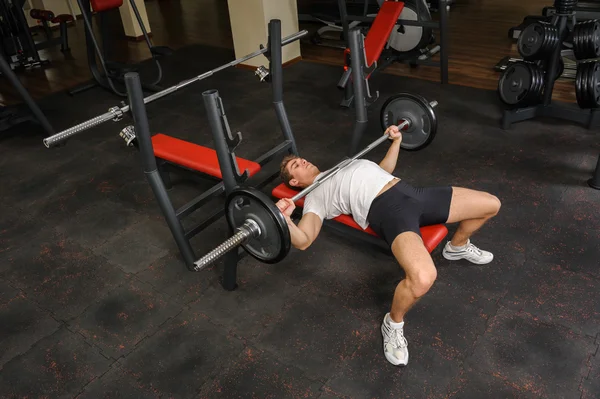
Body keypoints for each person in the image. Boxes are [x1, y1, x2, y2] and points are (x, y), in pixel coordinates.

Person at [275, 125, 501, 367]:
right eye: (295, 166)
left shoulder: (342, 165)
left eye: (300, 159)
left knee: (491, 204)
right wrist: (285, 220)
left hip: (413, 193)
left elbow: (383, 170)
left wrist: (396, 141)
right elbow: (304, 240)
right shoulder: (314, 197)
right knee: (423, 277)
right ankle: (393, 323)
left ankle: (457, 246)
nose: (302, 161)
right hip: (389, 212)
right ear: (295, 181)